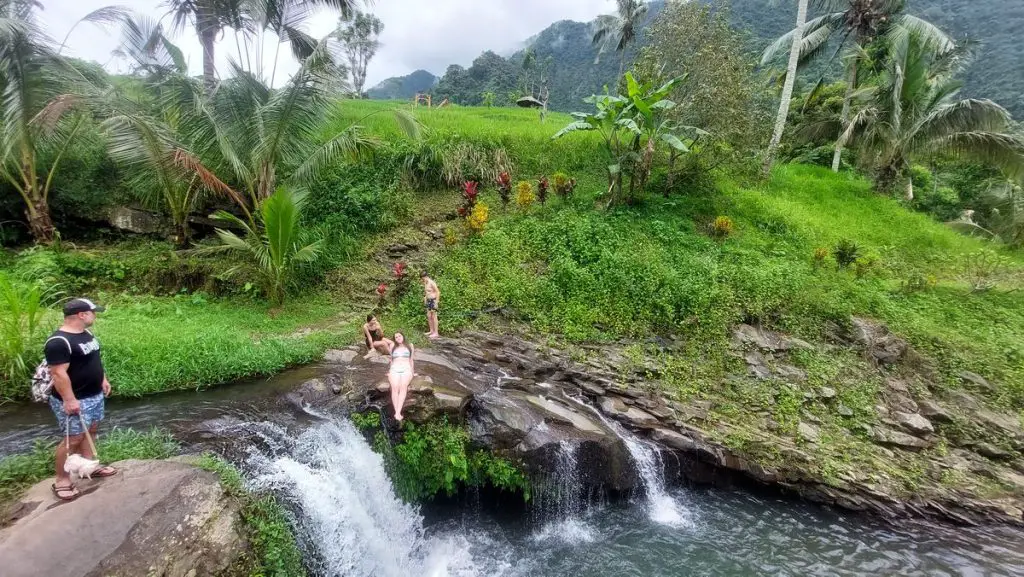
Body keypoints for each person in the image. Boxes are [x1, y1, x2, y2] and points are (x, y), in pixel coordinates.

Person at [47, 298, 117, 501]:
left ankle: (89, 466)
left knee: (92, 429)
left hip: (94, 394)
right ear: (82, 314)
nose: (95, 315)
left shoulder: (85, 334)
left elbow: (93, 358)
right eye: (93, 312)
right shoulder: (59, 342)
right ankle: (61, 480)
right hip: (75, 399)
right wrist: (69, 400)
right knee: (73, 439)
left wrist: (103, 379)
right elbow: (58, 373)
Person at [386, 332, 415, 421]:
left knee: (403, 386)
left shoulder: (410, 345)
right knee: (395, 387)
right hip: (395, 368)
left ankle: (397, 412)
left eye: (399, 336)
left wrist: (413, 372)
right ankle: (397, 413)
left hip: (406, 369)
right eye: (396, 337)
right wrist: (389, 371)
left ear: (403, 336)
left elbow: (411, 360)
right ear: (394, 339)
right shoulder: (392, 346)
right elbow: (391, 360)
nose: (398, 338)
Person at [421, 271, 440, 339]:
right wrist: (425, 299)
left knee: (434, 316)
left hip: (433, 300)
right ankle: (431, 331)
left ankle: (436, 333)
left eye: (423, 278)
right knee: (429, 316)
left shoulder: (432, 282)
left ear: (426, 277)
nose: (422, 280)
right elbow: (427, 292)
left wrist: (436, 302)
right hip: (428, 301)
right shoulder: (425, 283)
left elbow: (437, 292)